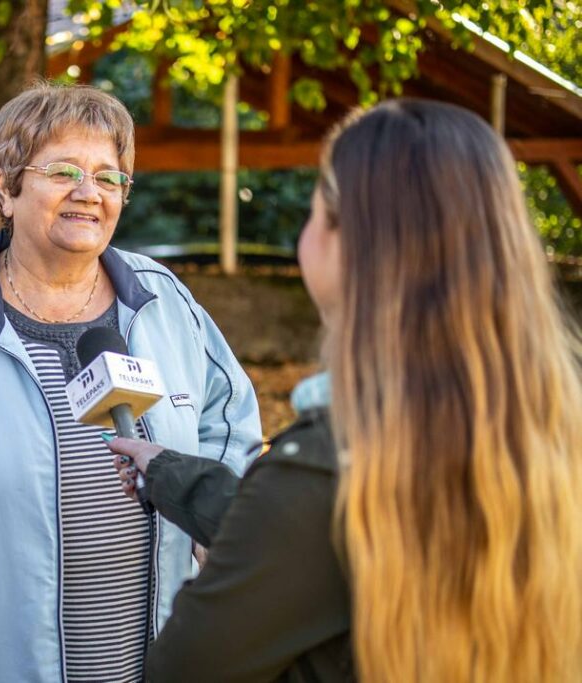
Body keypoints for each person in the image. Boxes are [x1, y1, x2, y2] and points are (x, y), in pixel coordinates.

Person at [109, 98, 582, 682]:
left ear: (345, 242)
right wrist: (174, 477)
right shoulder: (543, 428)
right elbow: (320, 543)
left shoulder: (329, 461)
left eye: (314, 213)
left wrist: (226, 576)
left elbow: (183, 667)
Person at [0, 82, 263, 682]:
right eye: (63, 171)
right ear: (6, 187)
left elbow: (230, 422)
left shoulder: (165, 301)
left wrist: (218, 525)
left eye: (110, 178)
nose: (89, 194)